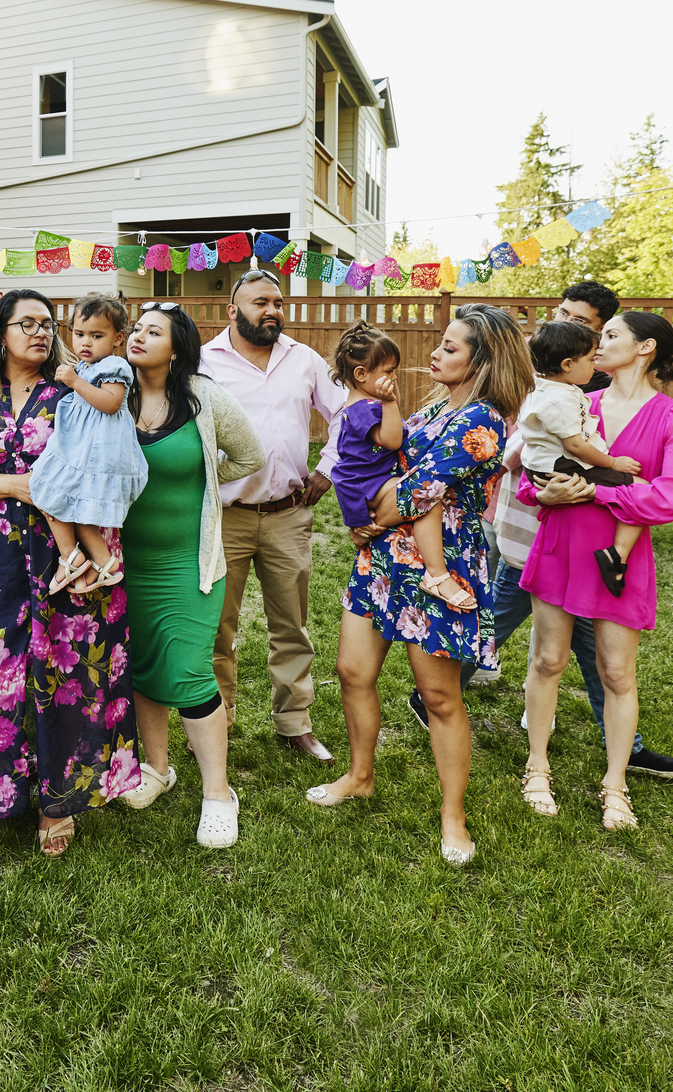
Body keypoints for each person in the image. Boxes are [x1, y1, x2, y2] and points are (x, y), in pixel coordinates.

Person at [308, 304, 532, 868]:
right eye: (442, 343)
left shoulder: (482, 421)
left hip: (438, 569)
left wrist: (373, 514)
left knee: (439, 697)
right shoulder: (435, 409)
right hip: (382, 564)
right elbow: (378, 464)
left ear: (482, 362)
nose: (435, 353)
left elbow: (410, 494)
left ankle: (453, 816)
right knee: (353, 672)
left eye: (451, 347)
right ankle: (360, 776)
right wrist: (371, 510)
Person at [0, 289, 139, 857]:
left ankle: (57, 801)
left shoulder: (70, 391)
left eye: (49, 324)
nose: (42, 333)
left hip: (64, 554)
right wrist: (18, 486)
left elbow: (100, 459)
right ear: (0, 331)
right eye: (28, 324)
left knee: (64, 675)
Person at [518, 311, 673, 832]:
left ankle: (616, 784)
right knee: (546, 659)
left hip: (618, 556)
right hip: (560, 542)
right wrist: (542, 492)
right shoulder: (573, 399)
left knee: (617, 673)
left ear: (645, 348)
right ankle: (537, 766)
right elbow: (534, 470)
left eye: (612, 335)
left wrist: (597, 491)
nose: (599, 343)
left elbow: (669, 498)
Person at [113, 304, 266, 848]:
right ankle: (157, 768)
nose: (138, 336)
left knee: (189, 670)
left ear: (176, 347)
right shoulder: (113, 391)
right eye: (136, 328)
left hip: (187, 562)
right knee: (144, 662)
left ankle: (219, 794)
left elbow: (250, 455)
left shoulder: (203, 397)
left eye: (153, 331)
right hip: (124, 563)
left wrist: (206, 477)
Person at [199, 269, 345, 761]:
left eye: (277, 302)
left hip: (288, 513)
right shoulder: (203, 363)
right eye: (260, 302)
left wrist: (328, 466)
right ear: (232, 309)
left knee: (292, 624)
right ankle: (220, 718)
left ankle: (294, 722)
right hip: (225, 515)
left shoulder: (302, 359)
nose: (272, 310)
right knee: (220, 625)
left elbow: (346, 413)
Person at [327, 325, 477, 612]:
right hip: (367, 481)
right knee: (425, 499)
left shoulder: (362, 404)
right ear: (361, 375)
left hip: (366, 480)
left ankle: (360, 530)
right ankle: (437, 573)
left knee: (418, 496)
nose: (393, 378)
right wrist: (390, 402)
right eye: (388, 371)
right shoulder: (366, 408)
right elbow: (393, 440)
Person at [28, 293, 145, 593]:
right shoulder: (83, 367)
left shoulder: (115, 367)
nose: (86, 343)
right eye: (79, 334)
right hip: (81, 449)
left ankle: (74, 557)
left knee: (48, 489)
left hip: (97, 453)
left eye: (96, 335)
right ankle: (102, 562)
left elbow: (110, 402)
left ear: (118, 338)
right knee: (66, 503)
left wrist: (75, 383)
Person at [522, 320, 646, 595]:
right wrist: (614, 463)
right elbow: (576, 446)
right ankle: (618, 554)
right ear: (567, 364)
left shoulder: (541, 388)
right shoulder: (560, 399)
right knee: (642, 489)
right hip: (564, 466)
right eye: (591, 359)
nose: (595, 363)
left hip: (542, 466)